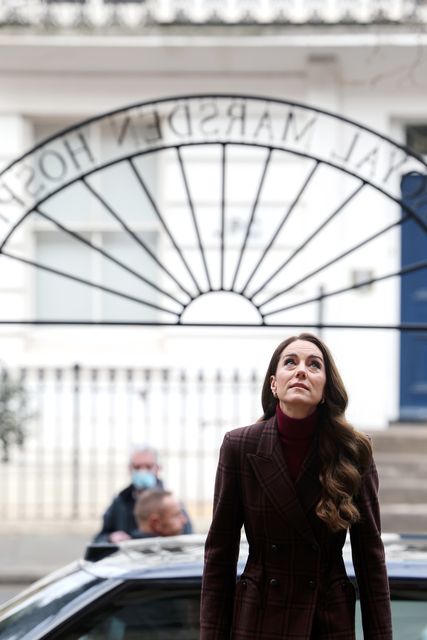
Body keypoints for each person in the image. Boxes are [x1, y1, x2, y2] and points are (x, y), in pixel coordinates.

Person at [200, 332, 392, 639]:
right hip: (259, 617)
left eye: (314, 365)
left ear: (326, 389)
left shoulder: (352, 450)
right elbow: (220, 554)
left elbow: (370, 558)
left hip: (326, 620)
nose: (301, 369)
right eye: (290, 362)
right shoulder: (239, 446)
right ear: (274, 384)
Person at [93, 444, 192, 543]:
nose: (143, 471)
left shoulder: (170, 502)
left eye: (148, 467)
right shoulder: (120, 501)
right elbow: (99, 539)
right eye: (137, 467)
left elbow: (188, 537)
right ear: (130, 469)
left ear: (157, 468)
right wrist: (110, 538)